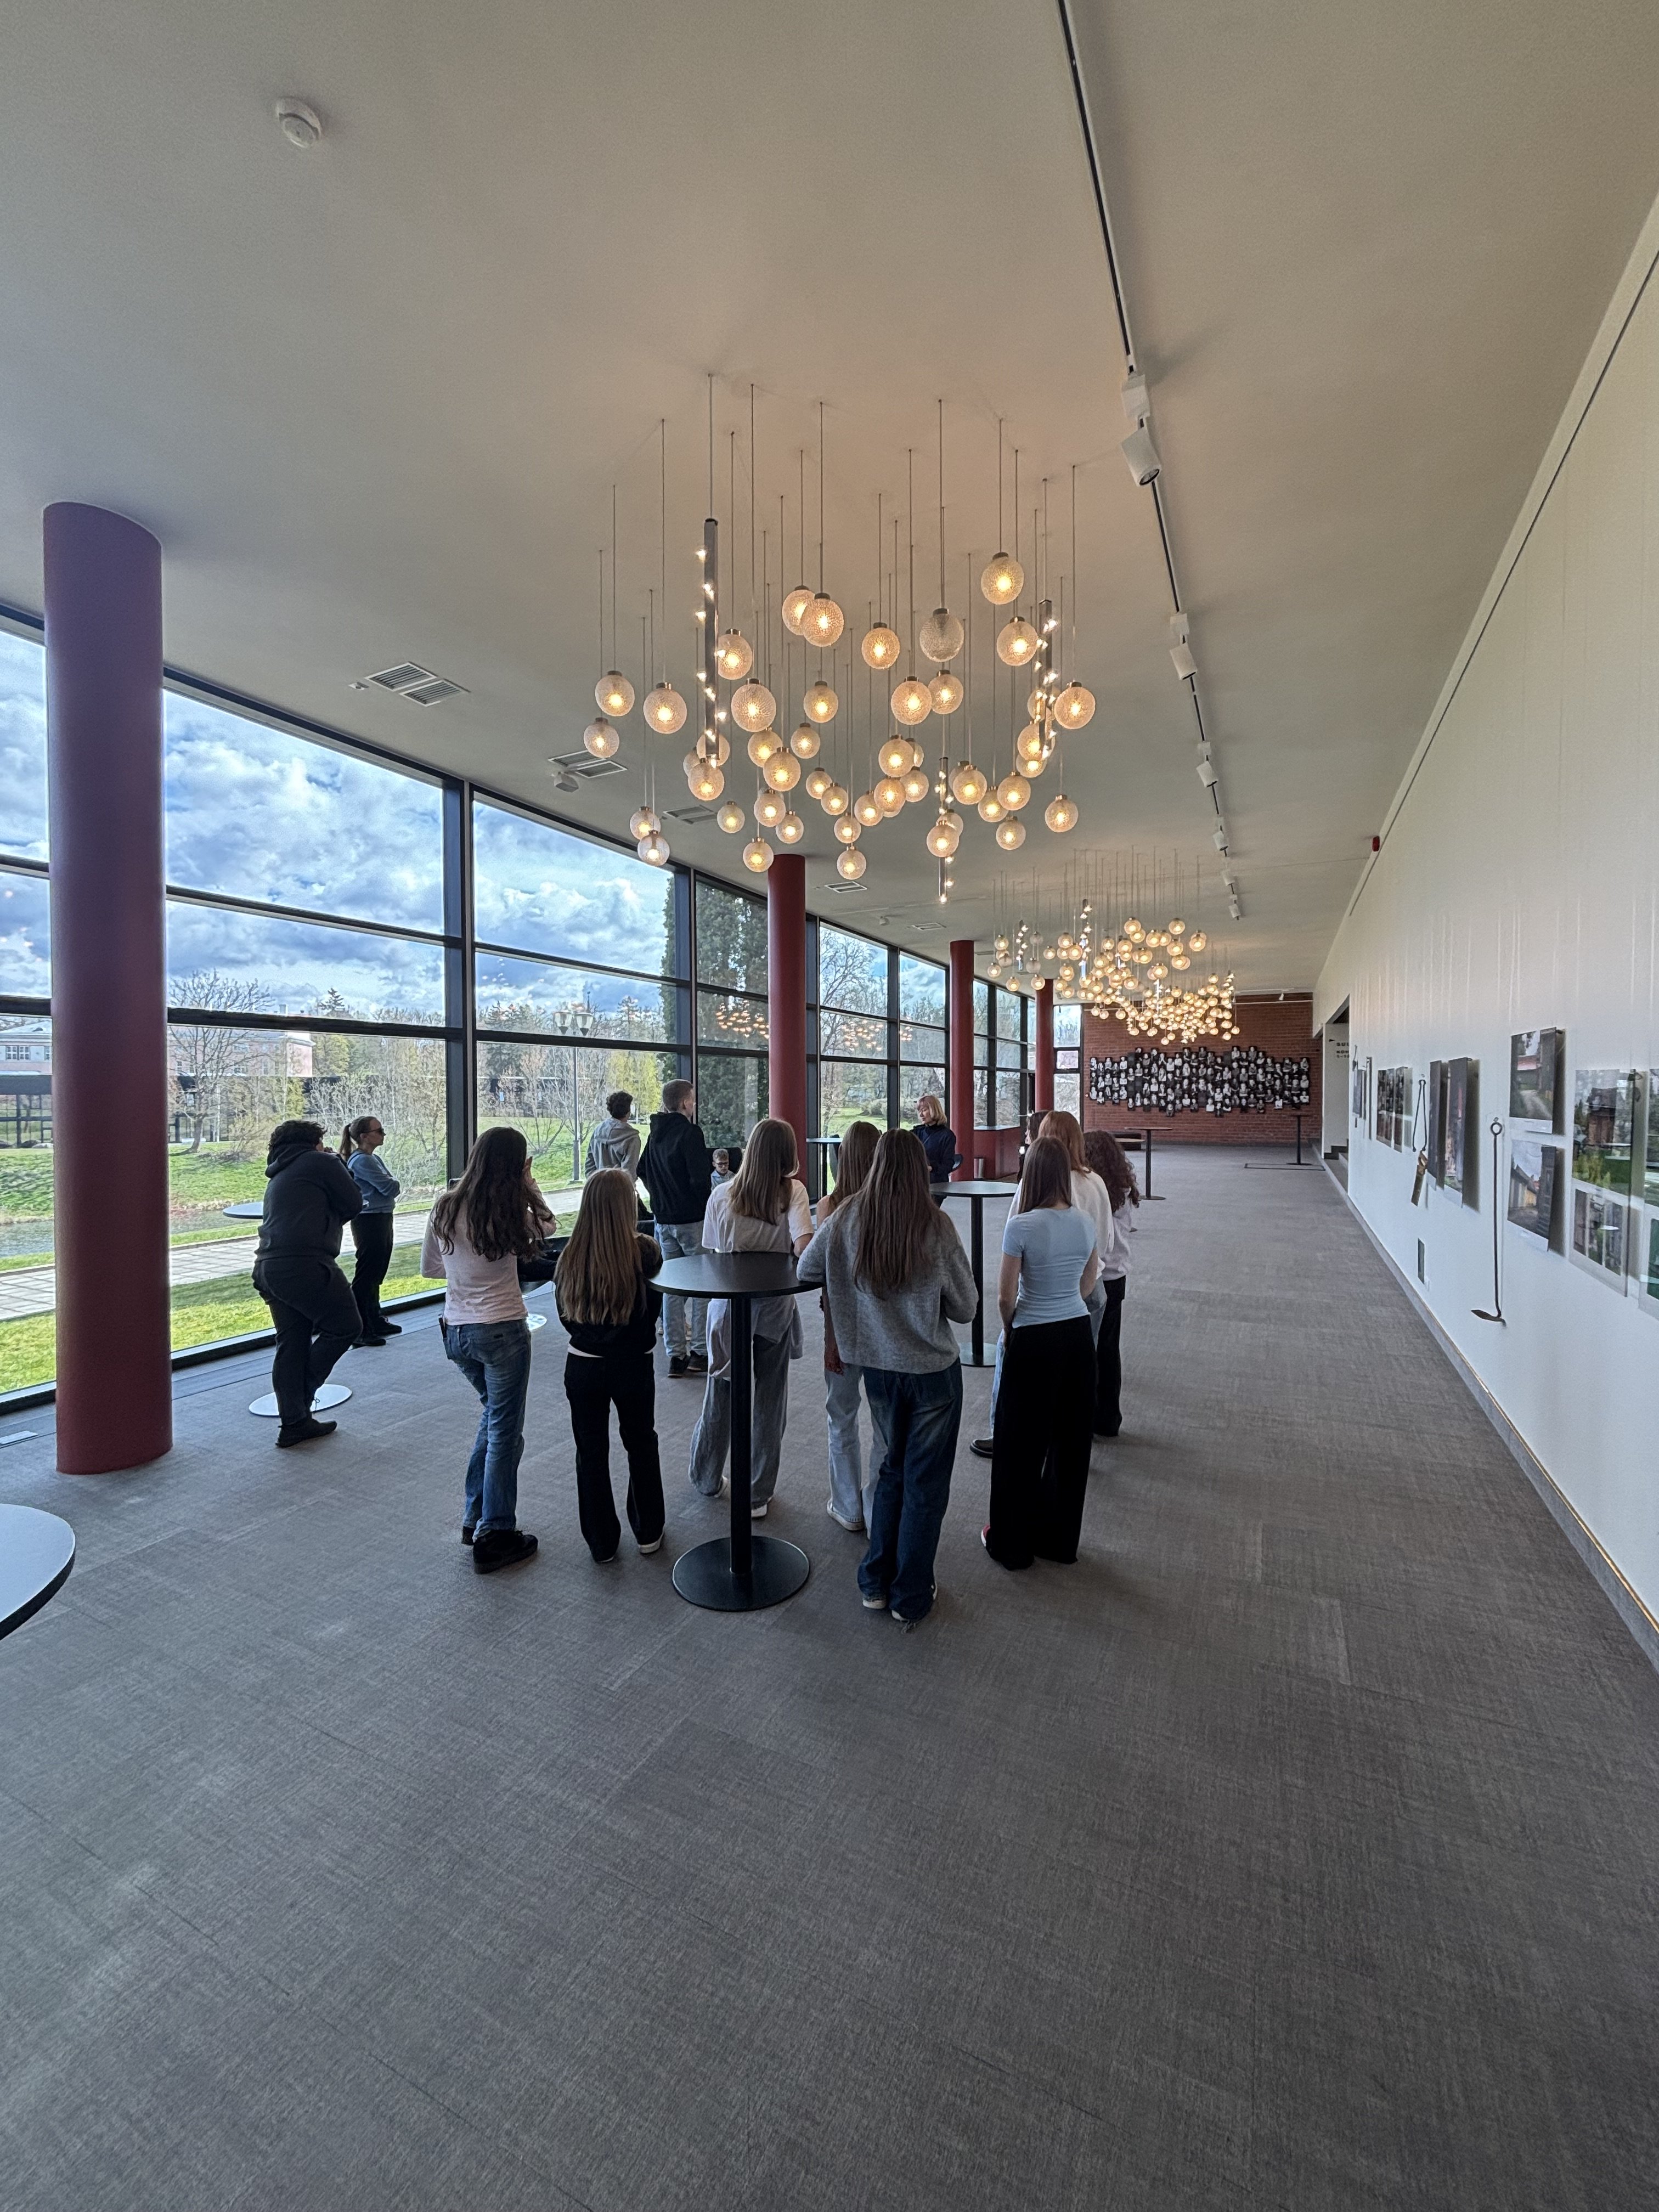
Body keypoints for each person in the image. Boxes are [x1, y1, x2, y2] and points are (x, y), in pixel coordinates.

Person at [798, 1128, 977, 1626]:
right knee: (926, 1483)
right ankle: (911, 1593)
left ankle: (876, 1580)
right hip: (933, 1373)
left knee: (892, 1471)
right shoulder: (935, 1224)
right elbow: (966, 1307)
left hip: (879, 1371)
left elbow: (807, 1267)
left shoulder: (847, 1216)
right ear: (920, 1169)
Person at [421, 1126, 555, 1574]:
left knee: (494, 1418)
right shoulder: (513, 1210)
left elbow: (431, 1268)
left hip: (456, 1332)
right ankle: (495, 1533)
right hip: (502, 1330)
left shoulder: (445, 1206)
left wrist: (467, 1271)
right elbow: (549, 1225)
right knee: (504, 1431)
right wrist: (529, 1183)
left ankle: (474, 1516)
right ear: (517, 1166)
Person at [982, 1136, 1099, 1571]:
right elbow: (1089, 1281)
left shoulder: (1022, 1226)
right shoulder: (1085, 1222)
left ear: (1030, 1173)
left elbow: (1004, 1295)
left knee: (1019, 1444)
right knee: (1070, 1444)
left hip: (1034, 1336)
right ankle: (1059, 1541)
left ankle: (1011, 1545)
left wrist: (1012, 1328)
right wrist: (1067, 1304)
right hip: (1077, 1336)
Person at [968, 1107, 1113, 1458]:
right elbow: (1104, 1241)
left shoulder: (1034, 1186)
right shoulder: (1096, 1182)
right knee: (1078, 1370)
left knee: (1011, 1361)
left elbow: (1015, 1241)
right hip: (1090, 1291)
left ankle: (1002, 1433)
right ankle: (1070, 1436)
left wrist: (1011, 1321)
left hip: (1041, 1295)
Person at [687, 1117, 813, 1517]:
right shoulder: (793, 1192)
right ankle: (757, 1494)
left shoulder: (722, 1194)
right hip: (774, 1310)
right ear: (787, 1154)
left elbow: (713, 1254)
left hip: (727, 1311)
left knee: (720, 1394)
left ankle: (706, 1477)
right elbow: (804, 1247)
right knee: (770, 1401)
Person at [555, 1168, 666, 1564]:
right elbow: (653, 1311)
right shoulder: (646, 1252)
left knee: (590, 1452)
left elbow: (565, 1316)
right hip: (633, 1365)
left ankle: (601, 1542)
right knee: (641, 1442)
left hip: (583, 1366)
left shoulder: (569, 1257)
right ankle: (648, 1530)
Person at [252, 1119, 363, 1447]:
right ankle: (302, 1397)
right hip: (306, 1264)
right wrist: (337, 1164)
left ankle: (294, 1423)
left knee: (292, 1343)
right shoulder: (321, 1161)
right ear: (314, 1142)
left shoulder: (279, 1169)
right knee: (346, 1327)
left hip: (269, 1266)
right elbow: (354, 1203)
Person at [813, 1119, 886, 1533]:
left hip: (839, 1326)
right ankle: (876, 1507)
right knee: (883, 1420)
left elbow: (814, 1266)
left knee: (841, 1413)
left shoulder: (831, 1205)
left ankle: (847, 1506)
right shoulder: (887, 1205)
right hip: (882, 1327)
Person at [639, 1079, 715, 1378]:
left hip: (664, 1220)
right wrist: (704, 1204)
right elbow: (699, 1179)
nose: (694, 1104)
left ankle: (675, 1355)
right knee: (701, 1286)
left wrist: (659, 1197)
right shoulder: (690, 1133)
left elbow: (642, 1169)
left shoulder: (654, 1133)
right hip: (692, 1220)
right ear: (685, 1103)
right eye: (692, 1099)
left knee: (672, 1287)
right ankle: (699, 1351)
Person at [1082, 1127, 1138, 1437]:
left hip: (1098, 1275)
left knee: (1090, 1348)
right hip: (1118, 1274)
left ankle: (1089, 1413)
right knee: (1108, 1347)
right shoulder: (1123, 1186)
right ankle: (1108, 1417)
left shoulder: (1095, 1190)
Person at [340, 1115, 400, 1345]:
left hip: (380, 1217)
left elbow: (389, 1186)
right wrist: (393, 1183)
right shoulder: (362, 1161)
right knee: (368, 1274)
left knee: (376, 1272)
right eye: (379, 1131)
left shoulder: (371, 1159)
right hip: (370, 1220)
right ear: (364, 1136)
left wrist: (391, 1183)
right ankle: (360, 1328)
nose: (383, 1134)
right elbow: (390, 1187)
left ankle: (374, 1320)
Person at [584, 1090, 641, 1181]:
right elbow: (629, 1174)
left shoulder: (598, 1131)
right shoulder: (632, 1138)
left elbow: (589, 1164)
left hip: (599, 1187)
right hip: (621, 1189)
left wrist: (597, 1185)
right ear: (628, 1112)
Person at [914, 1092, 960, 1198]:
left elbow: (947, 1165)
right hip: (917, 1183)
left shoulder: (947, 1135)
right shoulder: (917, 1132)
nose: (921, 1115)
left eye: (924, 1110)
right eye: (919, 1111)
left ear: (934, 1110)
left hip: (936, 1185)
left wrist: (930, 1168)